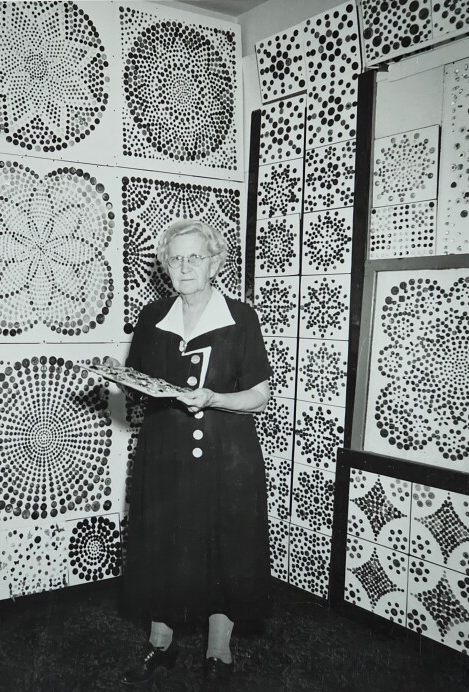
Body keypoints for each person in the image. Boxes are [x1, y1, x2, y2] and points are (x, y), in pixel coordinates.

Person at [107, 219, 273, 686]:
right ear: (165, 266)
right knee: (161, 546)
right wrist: (122, 380)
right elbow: (140, 389)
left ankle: (218, 652)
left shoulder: (241, 318)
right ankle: (162, 645)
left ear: (216, 262)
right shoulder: (152, 317)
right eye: (175, 258)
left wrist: (216, 398)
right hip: (164, 455)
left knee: (225, 549)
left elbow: (260, 394)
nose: (185, 266)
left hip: (227, 455)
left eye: (195, 257)